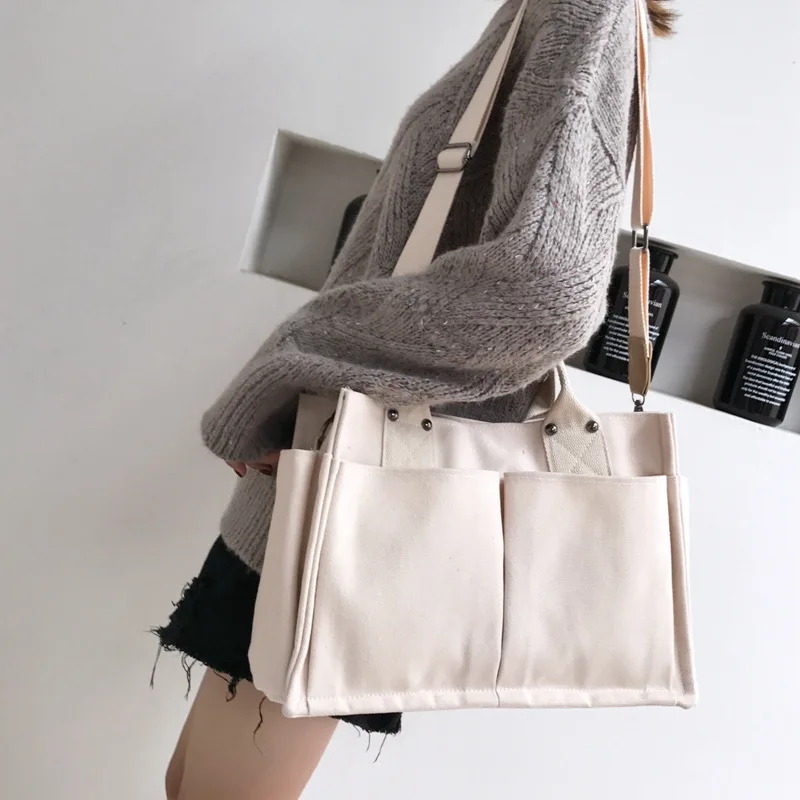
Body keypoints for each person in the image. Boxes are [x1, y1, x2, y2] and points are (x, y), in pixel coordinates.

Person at [157, 0, 676, 797]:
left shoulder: (585, 11)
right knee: (189, 784)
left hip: (361, 520)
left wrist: (290, 367)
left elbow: (547, 290)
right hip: (334, 499)